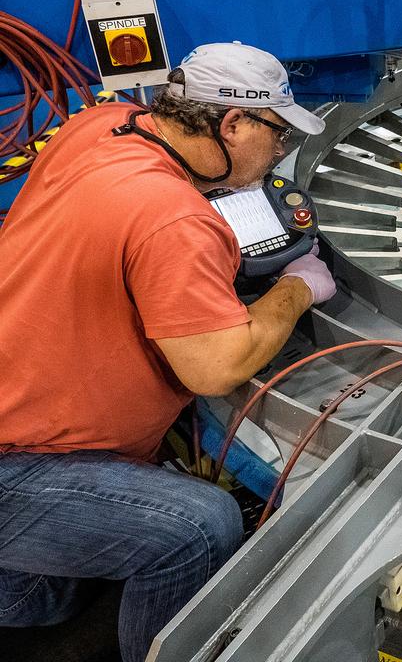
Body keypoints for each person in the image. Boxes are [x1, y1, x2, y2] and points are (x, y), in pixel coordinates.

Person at [0, 42, 336, 660]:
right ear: (232, 123)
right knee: (198, 528)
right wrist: (296, 287)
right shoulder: (174, 219)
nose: (278, 156)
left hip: (18, 411)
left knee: (58, 595)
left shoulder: (97, 126)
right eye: (278, 136)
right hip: (18, 465)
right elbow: (217, 368)